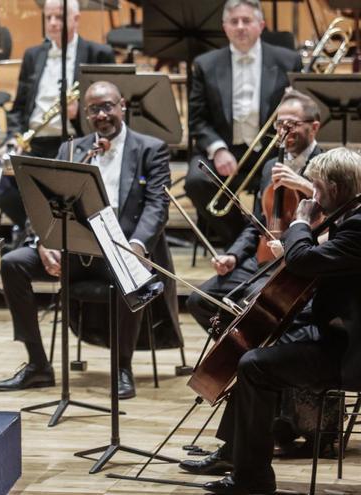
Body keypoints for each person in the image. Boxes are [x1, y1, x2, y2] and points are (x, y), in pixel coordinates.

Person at [181, 147, 361, 495]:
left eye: (316, 186)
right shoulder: (348, 216)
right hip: (336, 329)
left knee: (254, 366)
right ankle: (234, 453)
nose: (312, 192)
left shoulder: (356, 225)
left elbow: (304, 262)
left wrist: (299, 222)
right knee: (254, 347)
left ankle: (253, 479)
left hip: (349, 348)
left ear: (335, 189)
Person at [0, 81, 181, 400]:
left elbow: (156, 207)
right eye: (94, 109)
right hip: (75, 250)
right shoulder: (71, 149)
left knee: (130, 271)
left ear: (122, 105)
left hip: (122, 250)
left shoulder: (150, 148)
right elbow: (45, 202)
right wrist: (42, 240)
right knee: (13, 264)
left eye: (108, 106)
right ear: (85, 114)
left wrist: (136, 245)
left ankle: (122, 367)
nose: (102, 114)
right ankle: (38, 364)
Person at [187, 90, 323, 331]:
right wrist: (234, 256)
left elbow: (338, 213)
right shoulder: (272, 165)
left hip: (299, 262)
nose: (284, 131)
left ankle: (255, 359)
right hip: (262, 258)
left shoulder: (326, 165)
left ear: (314, 127)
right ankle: (238, 355)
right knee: (200, 300)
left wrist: (303, 184)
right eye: (279, 124)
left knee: (249, 301)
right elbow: (258, 222)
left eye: (292, 124)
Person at [185, 0, 302, 244]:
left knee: (280, 180)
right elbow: (197, 119)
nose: (240, 27)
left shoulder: (288, 60)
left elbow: (300, 112)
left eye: (247, 20)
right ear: (224, 27)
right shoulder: (205, 64)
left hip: (271, 149)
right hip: (226, 148)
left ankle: (261, 241)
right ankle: (244, 240)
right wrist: (217, 150)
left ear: (261, 25)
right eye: (234, 21)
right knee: (196, 181)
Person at [0, 0, 115, 229]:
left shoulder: (98, 53)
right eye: (48, 17)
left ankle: (46, 234)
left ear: (76, 19)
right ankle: (38, 231)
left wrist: (77, 114)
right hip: (36, 143)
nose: (52, 23)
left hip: (76, 143)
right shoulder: (33, 55)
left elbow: (110, 114)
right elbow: (19, 107)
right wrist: (13, 136)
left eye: (59, 17)